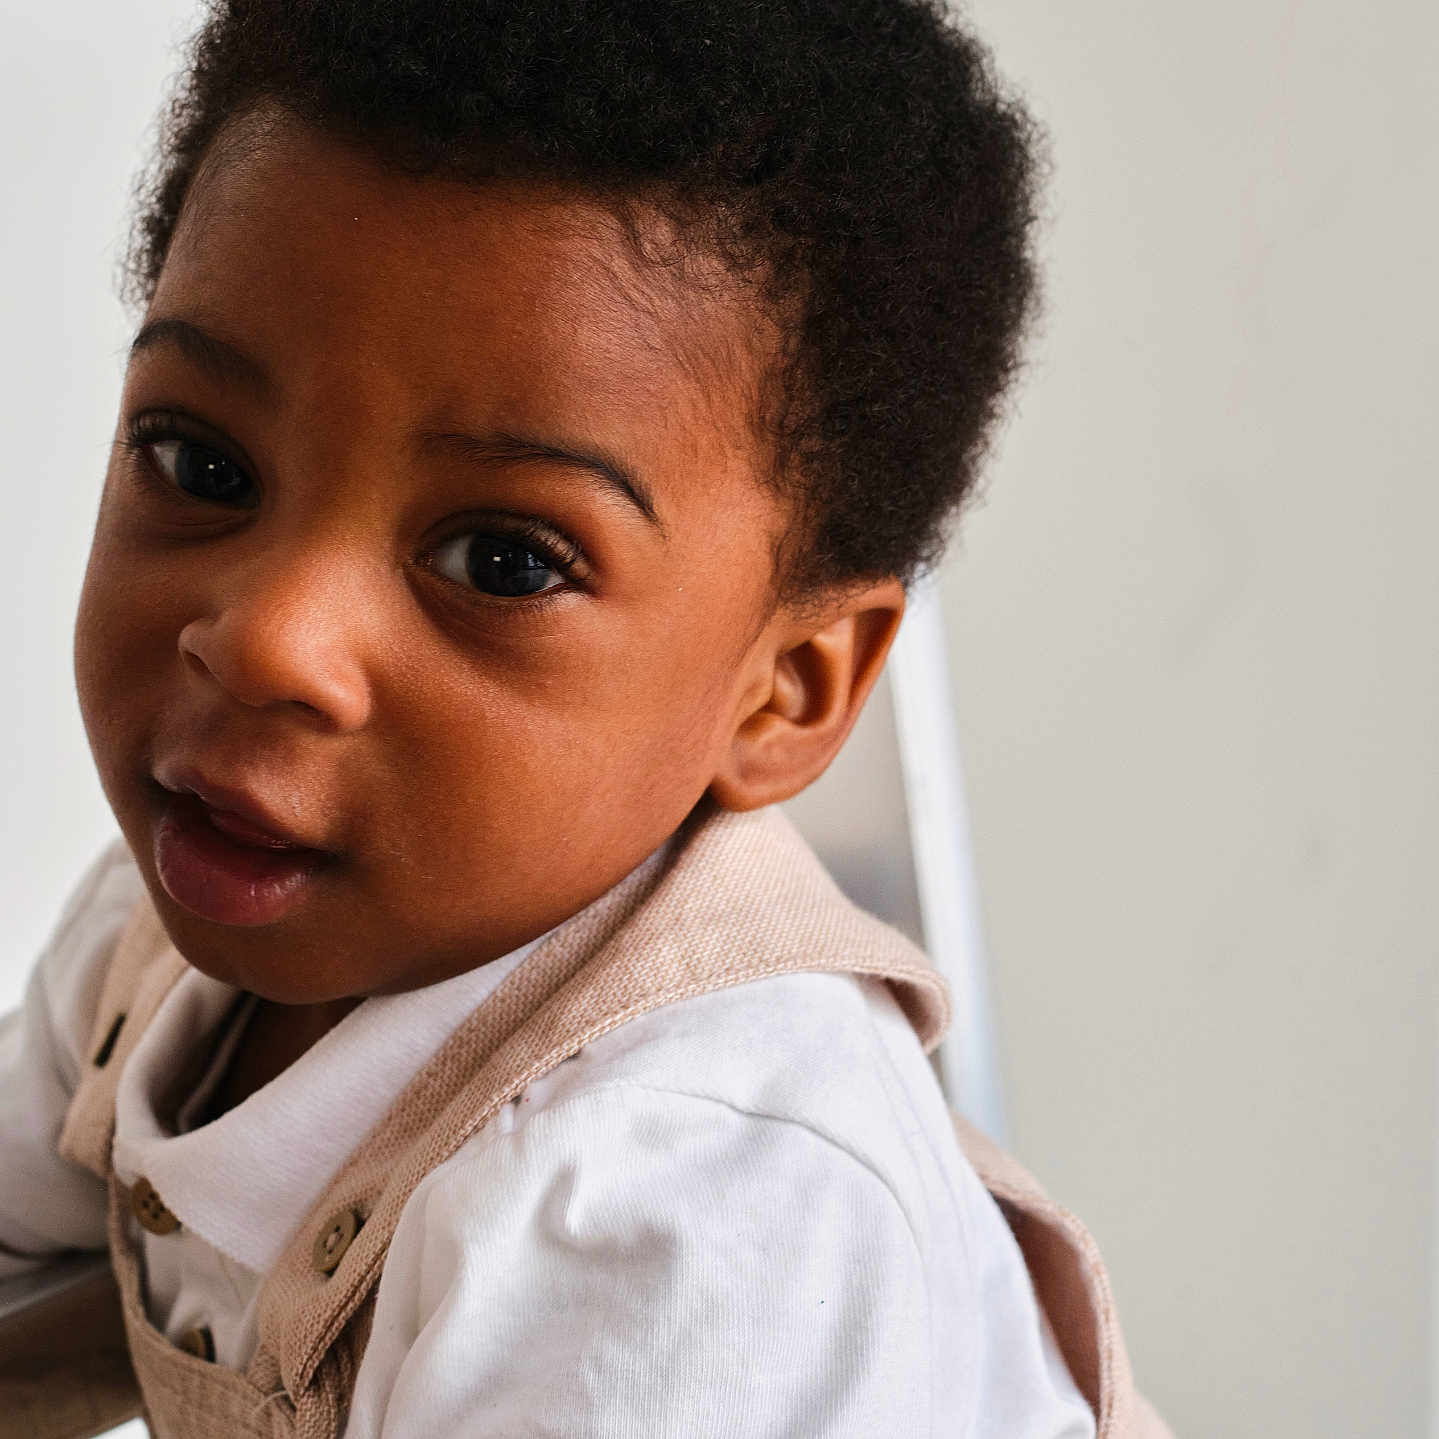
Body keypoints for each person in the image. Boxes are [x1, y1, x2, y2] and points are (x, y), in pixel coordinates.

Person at [0, 1, 1172, 1435]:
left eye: (502, 561)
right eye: (201, 461)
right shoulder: (158, 951)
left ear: (786, 691)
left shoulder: (682, 1215)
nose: (268, 641)